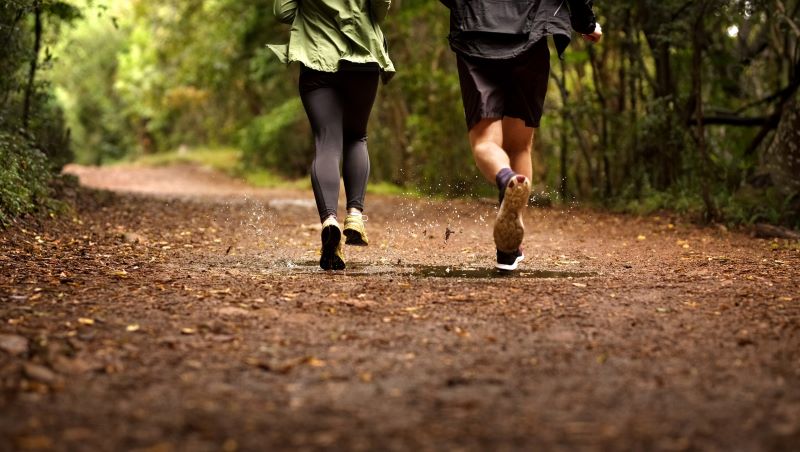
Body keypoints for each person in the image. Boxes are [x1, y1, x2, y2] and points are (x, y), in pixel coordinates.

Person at [440, 0, 602, 271]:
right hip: (532, 33)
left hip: (475, 32)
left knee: (485, 141)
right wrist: (585, 23)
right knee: (520, 146)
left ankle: (506, 180)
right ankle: (508, 248)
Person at [269, 0, 395, 270]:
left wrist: (313, 16)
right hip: (362, 56)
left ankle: (329, 221)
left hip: (316, 55)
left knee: (326, 142)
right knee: (356, 137)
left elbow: (283, 11)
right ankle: (355, 215)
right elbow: (380, 7)